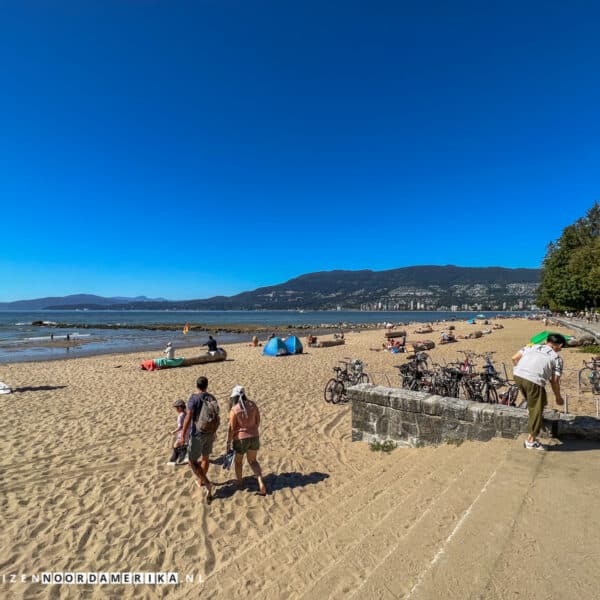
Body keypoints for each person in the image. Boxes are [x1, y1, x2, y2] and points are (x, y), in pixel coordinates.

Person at [511, 333, 566, 451]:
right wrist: (558, 397)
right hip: (534, 380)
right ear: (560, 345)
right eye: (561, 348)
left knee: (539, 400)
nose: (561, 350)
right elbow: (554, 381)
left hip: (517, 375)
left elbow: (514, 358)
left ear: (547, 341)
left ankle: (531, 410)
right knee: (537, 408)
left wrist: (523, 370)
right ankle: (531, 441)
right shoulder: (557, 358)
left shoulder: (531, 346)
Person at [179, 376, 220, 502]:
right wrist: (214, 432)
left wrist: (183, 434)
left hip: (198, 434)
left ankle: (206, 483)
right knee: (205, 458)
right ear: (207, 386)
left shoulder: (193, 398)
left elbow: (188, 417)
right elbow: (215, 416)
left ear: (197, 385)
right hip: (209, 432)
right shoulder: (212, 397)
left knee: (192, 461)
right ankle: (201, 480)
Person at [226, 385, 267, 496]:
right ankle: (260, 481)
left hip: (240, 439)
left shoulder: (234, 409)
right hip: (254, 436)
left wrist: (228, 443)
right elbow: (258, 421)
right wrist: (252, 430)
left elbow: (232, 428)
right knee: (253, 461)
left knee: (238, 462)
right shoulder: (253, 405)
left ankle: (240, 483)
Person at [166, 399, 189, 466]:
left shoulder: (181, 416)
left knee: (176, 445)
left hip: (183, 434)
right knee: (182, 445)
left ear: (180, 407)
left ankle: (173, 461)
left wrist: (173, 432)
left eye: (176, 408)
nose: (175, 409)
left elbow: (180, 427)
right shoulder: (187, 414)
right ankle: (183, 457)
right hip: (188, 434)